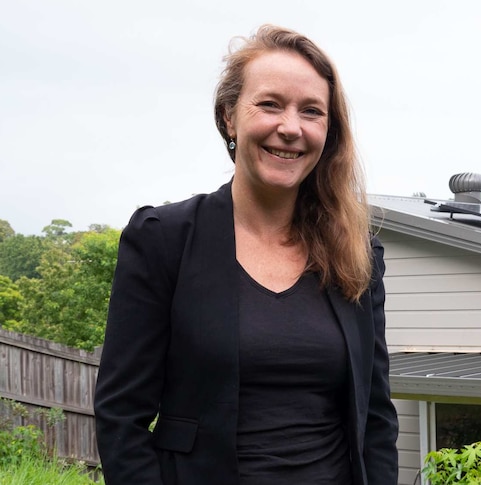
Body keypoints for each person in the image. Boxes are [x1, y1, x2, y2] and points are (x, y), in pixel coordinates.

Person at [94, 25, 398, 485]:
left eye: (311, 111)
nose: (290, 128)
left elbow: (376, 417)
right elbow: (121, 417)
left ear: (328, 132)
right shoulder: (164, 240)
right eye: (270, 104)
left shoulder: (357, 253)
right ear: (230, 117)